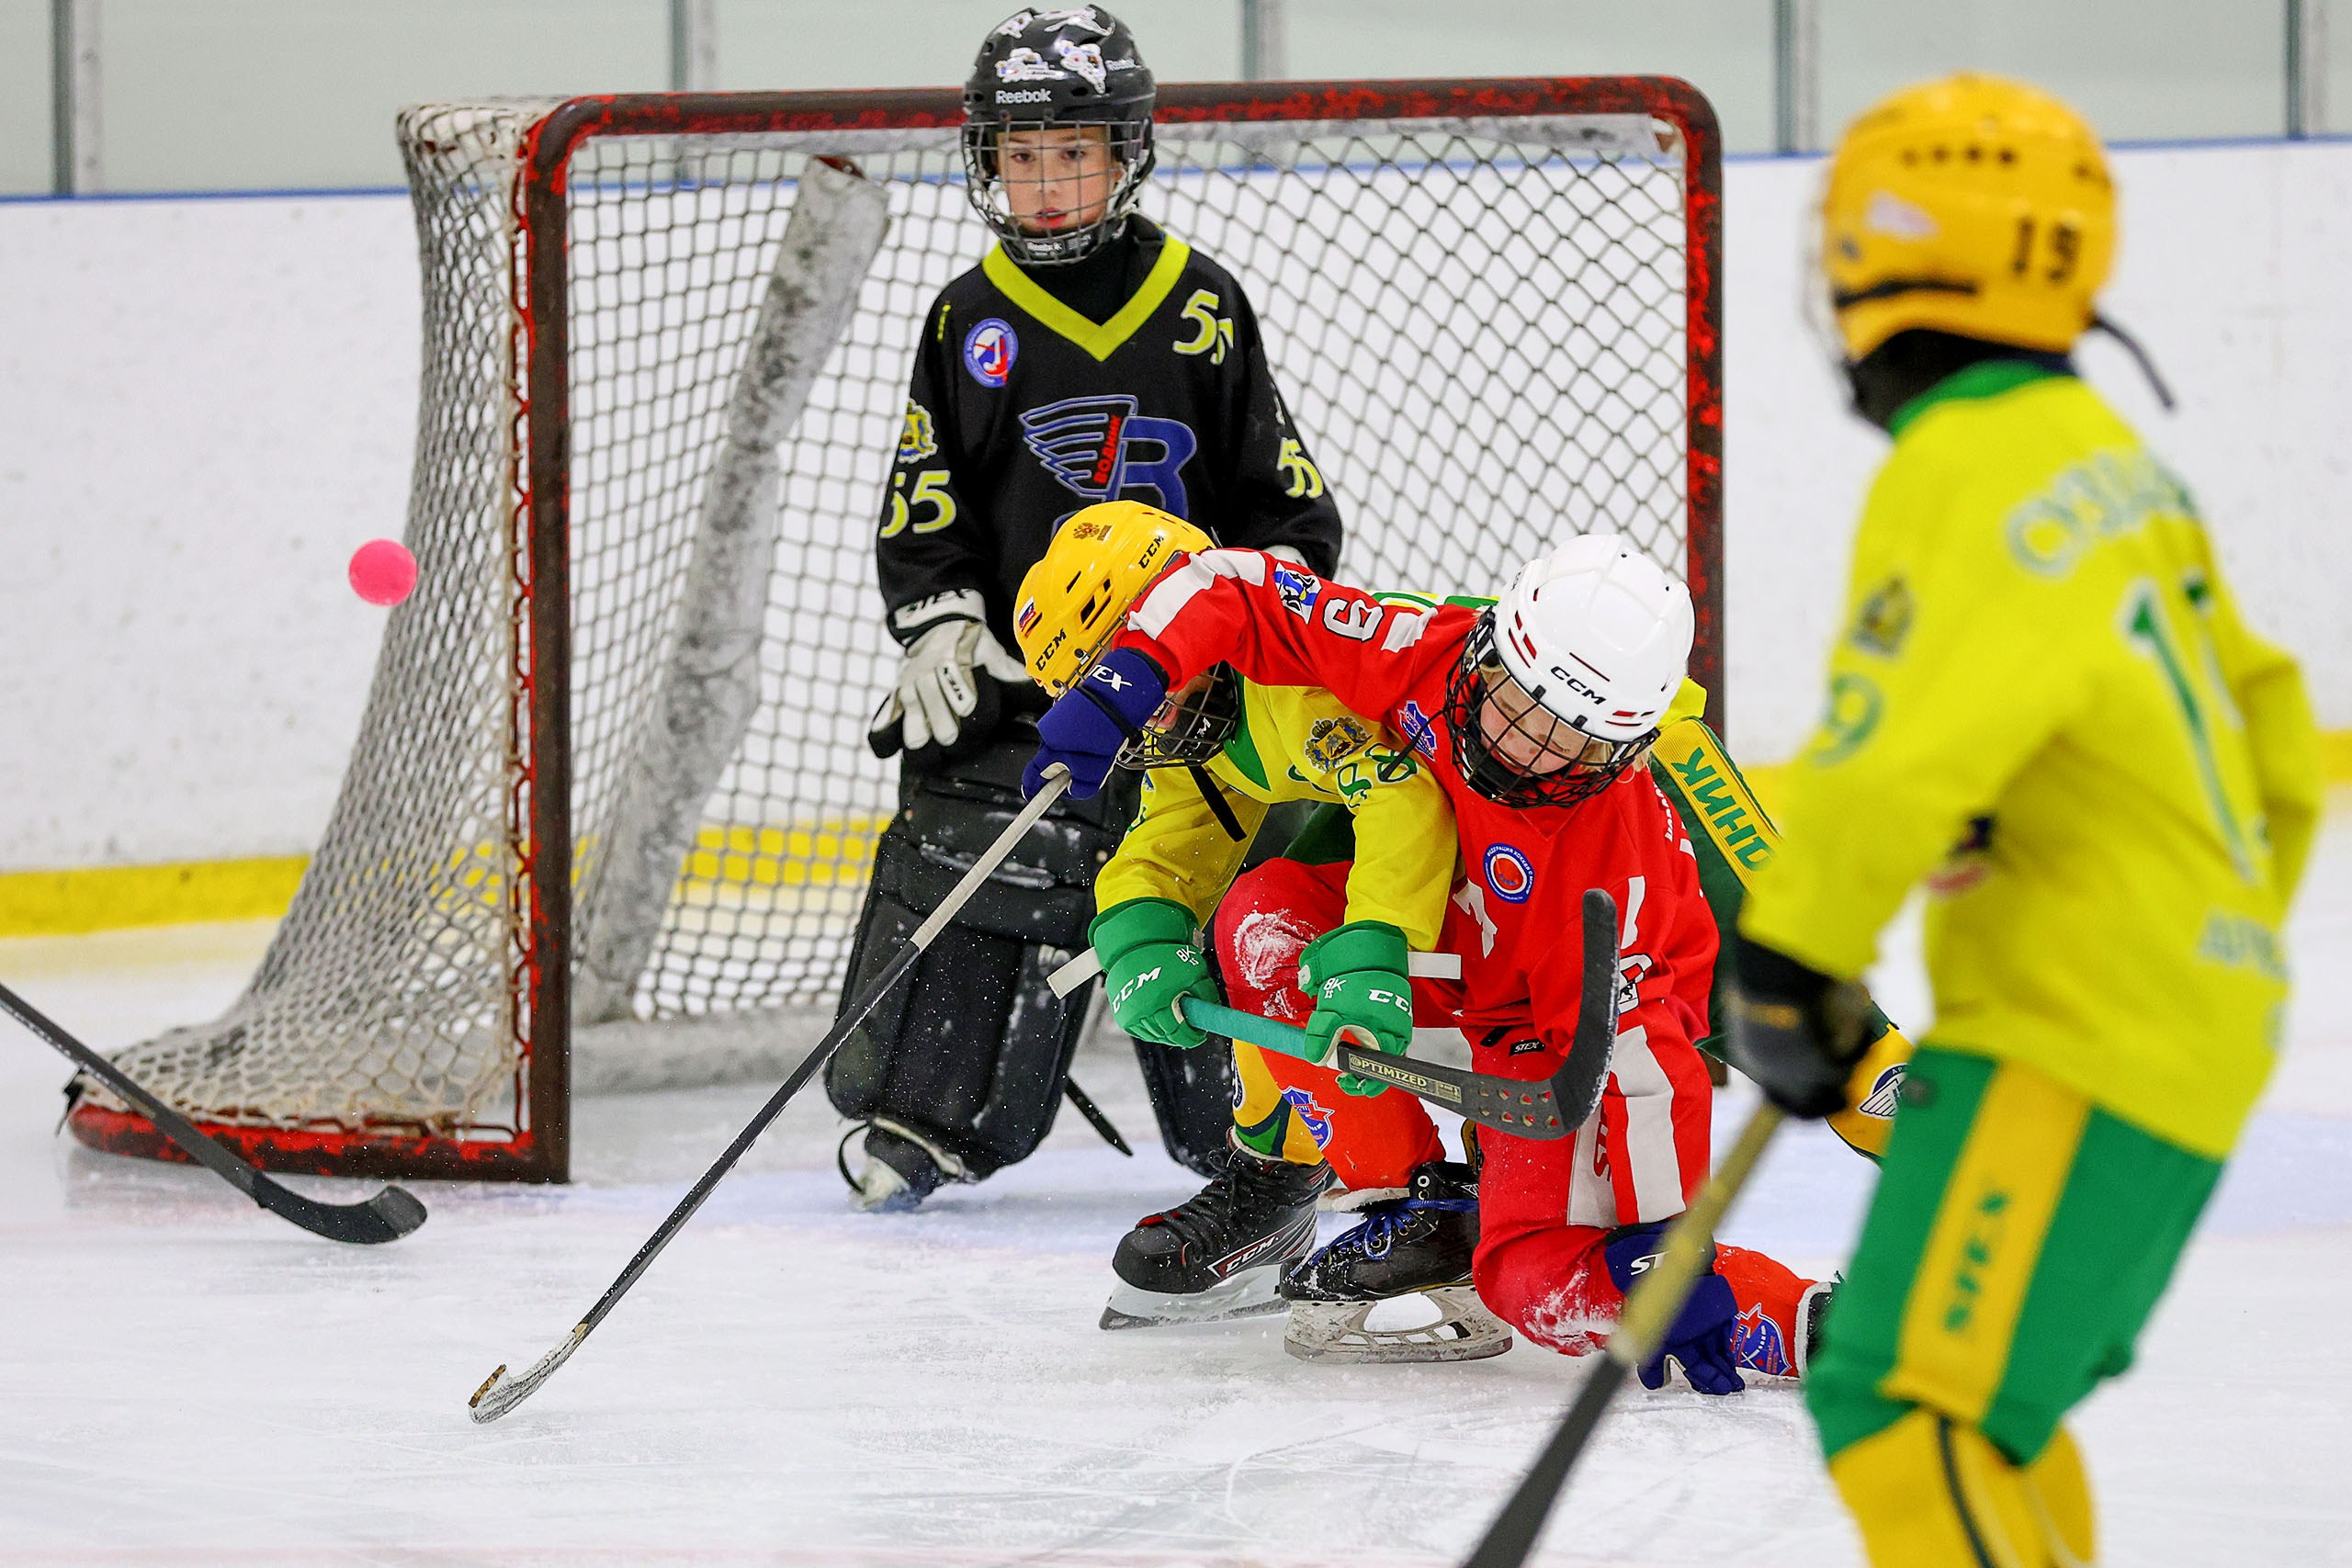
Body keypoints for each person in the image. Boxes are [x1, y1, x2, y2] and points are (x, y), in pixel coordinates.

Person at [1725, 75, 2322, 1563]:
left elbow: (1894, 743)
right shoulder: (2118, 468)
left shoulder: (1962, 460)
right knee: (1980, 1408)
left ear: (1897, 254)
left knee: (1903, 1399)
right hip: (2186, 1008)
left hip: (2072, 1025)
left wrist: (1790, 961)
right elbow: (2280, 751)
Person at [1027, 531, 1837, 1391]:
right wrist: (1130, 680)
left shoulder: (1615, 855)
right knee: (1263, 921)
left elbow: (1641, 1062)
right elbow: (1243, 585)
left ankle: (1808, 1320)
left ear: (1624, 753)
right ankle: (1415, 1202)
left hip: (1541, 1015)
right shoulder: (1421, 651)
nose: (1521, 745)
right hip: (1454, 939)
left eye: (1570, 741)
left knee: (1535, 1281)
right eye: (1513, 700)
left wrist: (1660, 1239)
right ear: (1487, 643)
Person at [829, 5, 1342, 1212]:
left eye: (1074, 152)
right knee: (971, 837)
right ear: (985, 161)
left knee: (1228, 889)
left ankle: (1270, 1132)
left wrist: (1255, 623)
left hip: (1196, 689)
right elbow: (929, 494)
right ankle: (934, 1105)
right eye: (1021, 155)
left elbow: (1287, 505)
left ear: (1125, 152)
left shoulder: (1199, 302)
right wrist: (943, 622)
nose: (1048, 183)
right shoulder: (968, 316)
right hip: (1028, 682)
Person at [1013, 501, 1504, 1357]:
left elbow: (1403, 798)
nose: (1150, 729)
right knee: (1262, 923)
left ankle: (1459, 1189)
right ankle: (1336, 1187)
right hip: (1470, 843)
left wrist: (1376, 944)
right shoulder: (1202, 717)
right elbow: (1167, 846)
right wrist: (1141, 934)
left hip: (1555, 825)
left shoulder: (1286, 672)